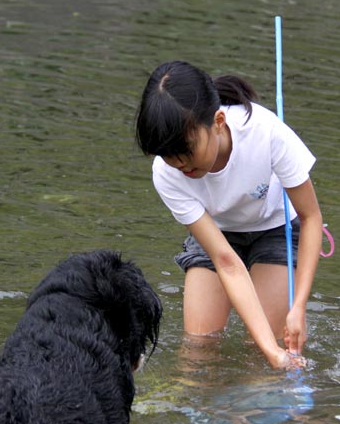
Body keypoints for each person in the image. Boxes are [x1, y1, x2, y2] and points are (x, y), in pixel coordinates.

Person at [135, 60, 323, 370]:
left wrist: (298, 307)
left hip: (274, 227)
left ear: (218, 121)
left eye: (187, 151)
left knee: (262, 356)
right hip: (216, 233)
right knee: (198, 352)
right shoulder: (165, 173)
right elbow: (225, 260)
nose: (181, 166)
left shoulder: (267, 134)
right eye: (170, 157)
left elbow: (311, 216)